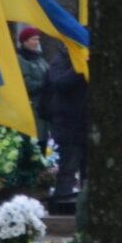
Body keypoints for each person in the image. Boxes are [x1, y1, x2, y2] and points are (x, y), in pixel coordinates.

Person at [43, 40, 89, 210]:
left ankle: (86, 207)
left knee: (88, 171)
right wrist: (80, 69)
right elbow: (58, 82)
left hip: (87, 123)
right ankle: (62, 207)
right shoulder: (62, 58)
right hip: (68, 125)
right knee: (68, 169)